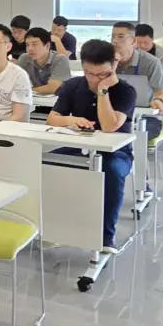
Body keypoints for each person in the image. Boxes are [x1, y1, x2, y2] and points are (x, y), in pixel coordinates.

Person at [47, 40, 137, 253]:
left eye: (102, 74)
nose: (96, 79)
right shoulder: (73, 85)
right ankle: (53, 226)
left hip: (116, 152)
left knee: (111, 171)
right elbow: (52, 118)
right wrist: (72, 120)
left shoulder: (125, 91)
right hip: (79, 147)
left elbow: (109, 126)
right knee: (48, 163)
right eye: (90, 74)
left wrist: (103, 90)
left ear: (114, 66)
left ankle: (106, 236)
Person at [112, 22, 163, 141]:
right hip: (114, 114)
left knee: (132, 131)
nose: (115, 41)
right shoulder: (107, 60)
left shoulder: (150, 62)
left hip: (145, 117)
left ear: (133, 40)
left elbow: (161, 92)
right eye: (113, 36)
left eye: (120, 37)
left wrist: (159, 100)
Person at [17, 26, 71, 95]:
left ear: (47, 46)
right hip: (36, 99)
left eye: (34, 44)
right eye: (27, 45)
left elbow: (52, 88)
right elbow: (15, 83)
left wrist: (27, 89)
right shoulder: (24, 58)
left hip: (58, 100)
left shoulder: (60, 59)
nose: (30, 48)